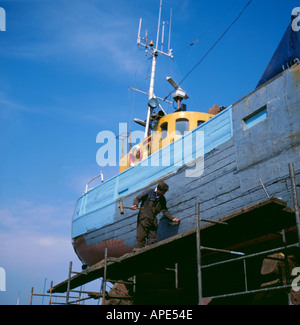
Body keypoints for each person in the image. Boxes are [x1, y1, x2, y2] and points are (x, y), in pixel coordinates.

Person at [131, 181, 180, 248]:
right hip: (144, 217)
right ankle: (139, 250)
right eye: (163, 192)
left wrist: (172, 218)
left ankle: (150, 250)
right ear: (159, 190)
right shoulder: (149, 191)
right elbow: (138, 198)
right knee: (141, 236)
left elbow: (164, 210)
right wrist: (135, 204)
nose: (164, 194)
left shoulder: (162, 198)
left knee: (153, 238)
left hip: (153, 219)